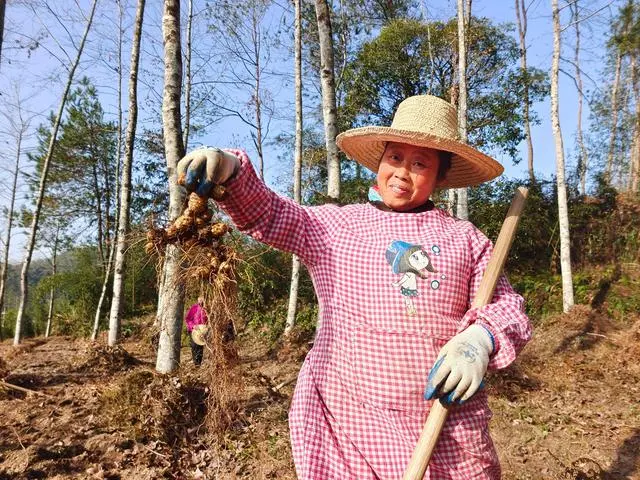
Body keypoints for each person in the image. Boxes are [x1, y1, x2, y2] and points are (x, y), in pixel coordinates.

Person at [177, 95, 532, 479]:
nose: (403, 173)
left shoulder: (466, 240)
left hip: (443, 425)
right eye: (395, 158)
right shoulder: (339, 227)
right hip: (352, 421)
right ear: (380, 161)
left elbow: (505, 306)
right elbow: (274, 214)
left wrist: (478, 341)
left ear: (441, 176)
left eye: (420, 164)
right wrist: (231, 170)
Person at [185, 297, 208, 366]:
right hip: (193, 330)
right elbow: (188, 319)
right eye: (200, 299)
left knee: (200, 347)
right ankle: (196, 363)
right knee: (194, 346)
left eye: (202, 299)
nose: (201, 301)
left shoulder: (207, 308)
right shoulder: (194, 308)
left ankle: (198, 364)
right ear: (198, 300)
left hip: (202, 331)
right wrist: (193, 326)